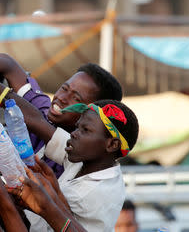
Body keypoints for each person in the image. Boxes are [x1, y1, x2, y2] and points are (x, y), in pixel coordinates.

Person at [0, 55, 123, 177]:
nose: (62, 98)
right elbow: (7, 63)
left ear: (90, 115)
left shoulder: (77, 156)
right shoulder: (45, 110)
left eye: (76, 98)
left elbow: (35, 120)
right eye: (64, 89)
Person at [9, 99, 139, 232]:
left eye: (86, 130)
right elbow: (39, 122)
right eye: (78, 127)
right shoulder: (91, 160)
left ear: (112, 144)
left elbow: (41, 217)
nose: (74, 133)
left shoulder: (91, 193)